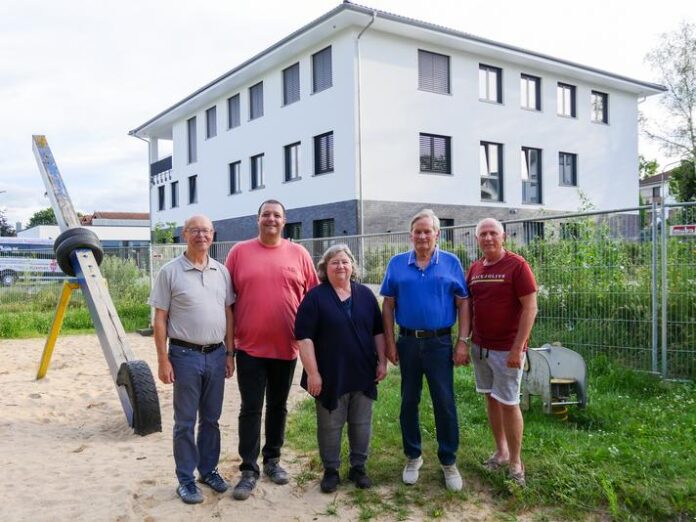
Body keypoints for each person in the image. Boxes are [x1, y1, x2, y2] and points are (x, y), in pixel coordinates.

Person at [224, 199, 319, 501]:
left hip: (286, 347)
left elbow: (313, 301)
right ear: (258, 219)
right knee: (250, 408)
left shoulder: (299, 254)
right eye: (266, 214)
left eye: (276, 215)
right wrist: (229, 349)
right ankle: (249, 469)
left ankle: (272, 461)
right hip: (249, 347)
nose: (271, 219)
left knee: (278, 407)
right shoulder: (239, 252)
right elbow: (225, 301)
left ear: (284, 220)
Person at [380, 209, 470, 491]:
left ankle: (448, 460)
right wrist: (391, 343)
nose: (422, 236)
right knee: (409, 400)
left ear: (437, 234)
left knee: (444, 401)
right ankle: (413, 455)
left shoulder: (451, 263)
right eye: (417, 231)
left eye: (427, 231)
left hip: (440, 343)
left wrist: (462, 341)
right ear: (411, 235)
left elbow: (463, 303)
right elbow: (388, 305)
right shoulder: (396, 264)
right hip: (407, 342)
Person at [149, 215, 235, 504]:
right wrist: (163, 359)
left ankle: (208, 471)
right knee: (185, 422)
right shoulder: (170, 272)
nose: (201, 235)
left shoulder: (221, 271)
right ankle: (185, 480)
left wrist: (230, 353)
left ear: (213, 235)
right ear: (185, 234)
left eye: (206, 231)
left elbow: (229, 314)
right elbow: (159, 319)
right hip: (183, 356)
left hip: (216, 354)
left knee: (211, 419)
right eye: (195, 230)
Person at [295, 244, 387, 493]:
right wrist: (313, 373)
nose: (341, 266)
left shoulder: (366, 295)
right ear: (325, 268)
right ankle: (331, 470)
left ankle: (358, 467)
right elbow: (304, 338)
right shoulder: (315, 297)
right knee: (330, 424)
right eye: (334, 262)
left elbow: (378, 331)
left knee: (361, 423)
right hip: (329, 374)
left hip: (362, 371)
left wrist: (382, 361)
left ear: (352, 266)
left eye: (345, 261)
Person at [466, 217, 537, 487]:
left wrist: (518, 348)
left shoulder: (517, 266)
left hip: (507, 349)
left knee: (509, 403)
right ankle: (501, 451)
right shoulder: (474, 269)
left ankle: (516, 462)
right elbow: (470, 306)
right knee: (491, 400)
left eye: (492, 233)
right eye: (482, 234)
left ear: (503, 236)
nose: (487, 238)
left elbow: (530, 308)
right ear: (476, 239)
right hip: (480, 347)